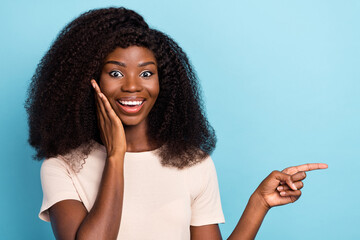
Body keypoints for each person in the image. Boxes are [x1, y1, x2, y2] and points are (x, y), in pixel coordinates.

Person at [26, 7, 328, 240]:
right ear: (88, 81)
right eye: (116, 73)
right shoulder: (63, 167)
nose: (133, 86)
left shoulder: (192, 163)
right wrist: (116, 157)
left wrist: (259, 203)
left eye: (146, 73)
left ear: (164, 82)